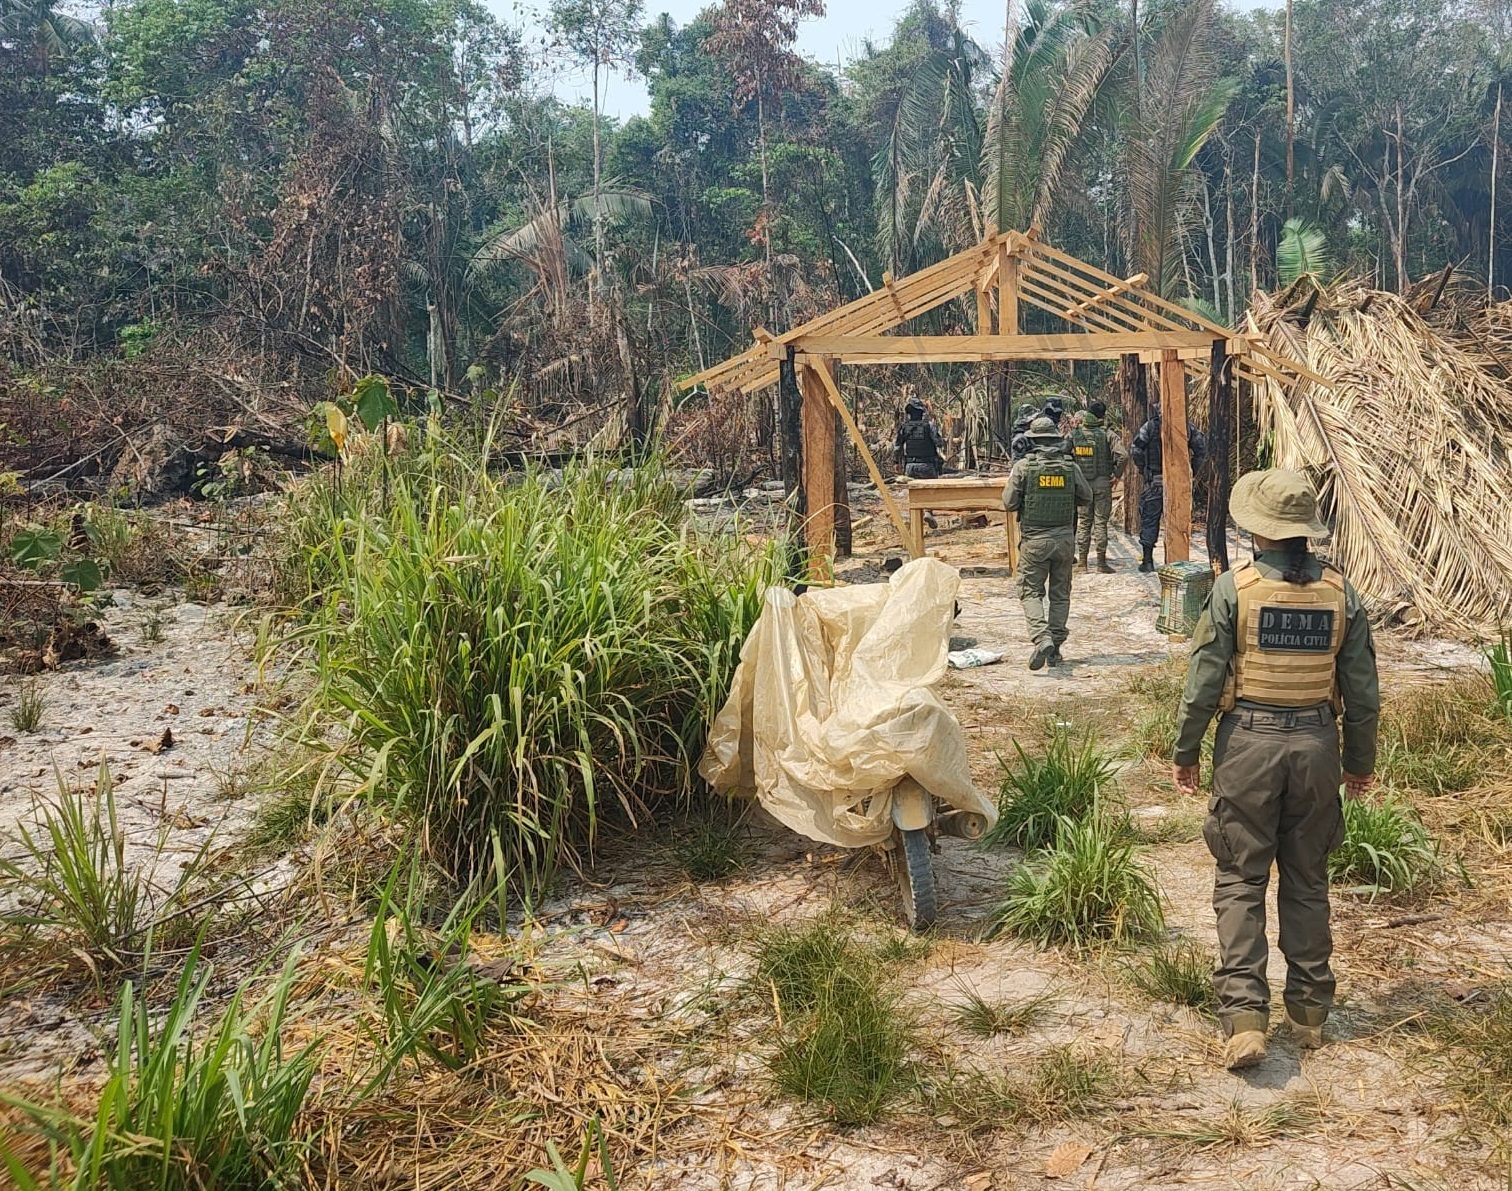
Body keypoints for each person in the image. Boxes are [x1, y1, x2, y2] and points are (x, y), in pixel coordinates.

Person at [1171, 469, 1379, 1071]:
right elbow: (1362, 693)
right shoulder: (1342, 594)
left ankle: (1245, 1019)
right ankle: (1310, 1016)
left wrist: (1185, 751)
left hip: (1248, 749)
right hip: (1318, 746)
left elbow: (1204, 682)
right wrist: (1359, 764)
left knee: (1240, 877)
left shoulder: (1235, 590)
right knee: (1308, 878)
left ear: (1256, 531)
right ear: (1305, 533)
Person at [1003, 416, 1093, 670]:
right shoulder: (1070, 467)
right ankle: (1055, 648)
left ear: (1033, 441)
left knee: (1030, 591)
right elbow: (1086, 498)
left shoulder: (1023, 467)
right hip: (1065, 540)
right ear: (1055, 439)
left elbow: (1008, 503)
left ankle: (1042, 638)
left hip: (1035, 541)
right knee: (1060, 594)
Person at [1130, 401, 1207, 573]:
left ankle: (1148, 561)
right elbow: (1201, 450)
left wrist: (1144, 470)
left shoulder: (1149, 427)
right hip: (1179, 482)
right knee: (1178, 521)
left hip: (1155, 481)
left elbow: (1135, 449)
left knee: (1149, 520)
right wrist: (1190, 472)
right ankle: (1177, 561)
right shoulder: (1187, 427)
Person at [1070, 400, 1127, 573]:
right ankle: (1101, 564)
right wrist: (1116, 475)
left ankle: (1082, 564)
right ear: (1102, 416)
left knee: (1084, 523)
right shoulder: (1108, 434)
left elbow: (1062, 451)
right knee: (1101, 523)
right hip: (1103, 483)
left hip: (1082, 485)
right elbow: (1123, 455)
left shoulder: (1075, 434)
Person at [894, 395, 945, 479]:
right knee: (931, 492)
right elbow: (939, 443)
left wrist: (896, 462)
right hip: (927, 466)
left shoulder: (904, 427)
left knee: (912, 491)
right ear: (922, 412)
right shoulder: (929, 426)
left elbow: (897, 447)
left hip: (910, 467)